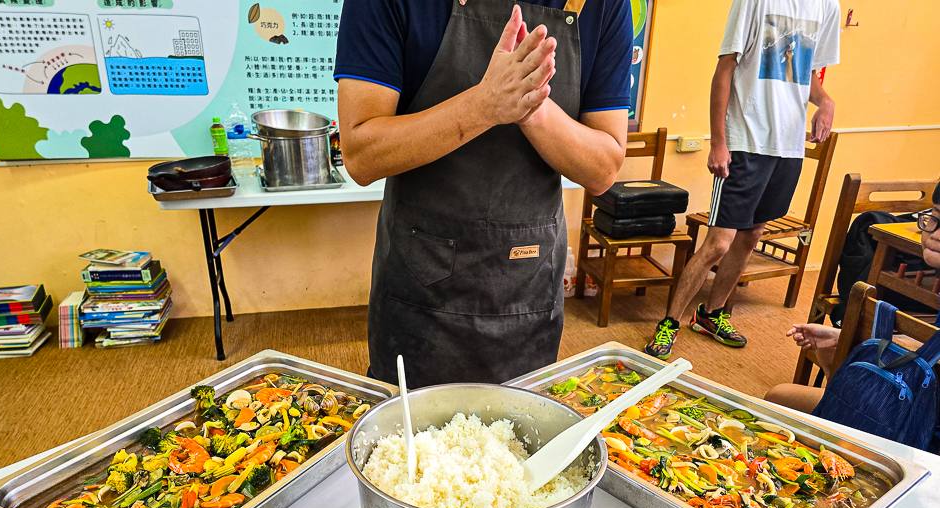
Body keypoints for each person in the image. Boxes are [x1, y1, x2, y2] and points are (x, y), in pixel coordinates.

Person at [335, 0, 632, 387]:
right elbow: (361, 155)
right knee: (407, 439)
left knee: (522, 433)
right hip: (421, 285)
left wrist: (532, 107)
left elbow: (603, 168)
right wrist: (483, 105)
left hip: (528, 282)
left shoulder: (605, 6)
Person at [645, 0, 840, 361]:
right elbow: (725, 69)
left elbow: (807, 74)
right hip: (746, 141)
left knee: (751, 237)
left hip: (788, 147)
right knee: (718, 244)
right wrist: (718, 142)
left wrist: (825, 101)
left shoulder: (827, 5)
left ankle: (712, 315)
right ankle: (670, 322)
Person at [767, 182, 940, 412]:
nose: (936, 234)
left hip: (918, 423)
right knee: (829, 355)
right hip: (916, 399)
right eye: (934, 218)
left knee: (777, 398)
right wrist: (846, 336)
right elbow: (931, 345)